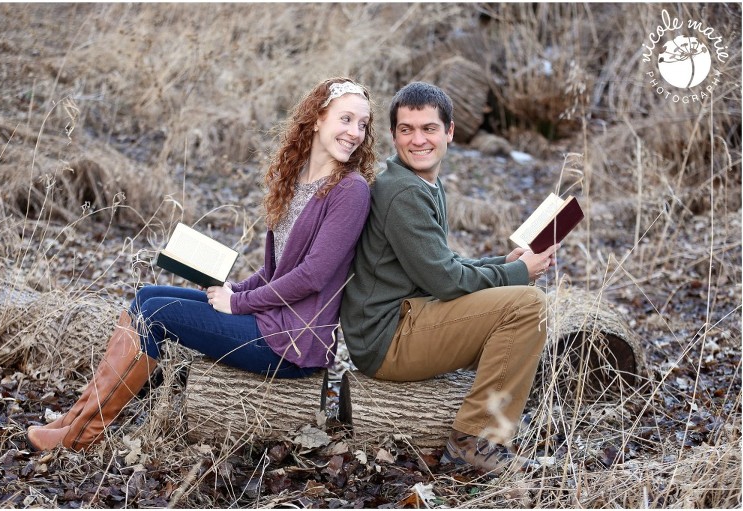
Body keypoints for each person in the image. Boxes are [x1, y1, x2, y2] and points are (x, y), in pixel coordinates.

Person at [28, 77, 376, 452]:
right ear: (318, 118)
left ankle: (82, 435)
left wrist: (238, 304)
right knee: (147, 296)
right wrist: (232, 290)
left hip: (292, 341)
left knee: (158, 315)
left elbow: (312, 275)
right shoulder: (298, 180)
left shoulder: (350, 190)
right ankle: (75, 419)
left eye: (362, 124)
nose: (354, 132)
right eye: (346, 119)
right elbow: (276, 270)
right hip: (271, 319)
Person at [339, 81, 557, 476]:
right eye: (407, 129)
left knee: (517, 298)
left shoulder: (422, 181)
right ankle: (475, 440)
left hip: (406, 318)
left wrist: (501, 263)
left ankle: (492, 418)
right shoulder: (401, 192)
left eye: (429, 128)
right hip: (385, 338)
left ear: (450, 131)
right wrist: (518, 273)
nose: (418, 139)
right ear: (393, 135)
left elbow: (440, 262)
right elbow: (445, 280)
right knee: (528, 305)